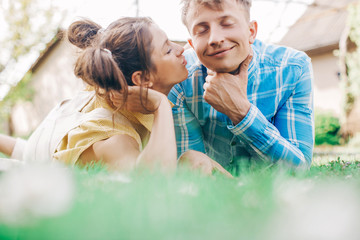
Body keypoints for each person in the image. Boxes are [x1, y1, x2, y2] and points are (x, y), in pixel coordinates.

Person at [0, 17, 231, 176]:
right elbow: (155, 182)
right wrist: (160, 104)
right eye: (168, 50)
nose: (181, 49)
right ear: (142, 79)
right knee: (193, 160)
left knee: (194, 159)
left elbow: (30, 151)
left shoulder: (105, 96)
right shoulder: (115, 136)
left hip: (33, 161)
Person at [168, 0, 314, 172]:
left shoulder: (293, 68)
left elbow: (299, 168)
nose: (215, 39)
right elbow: (194, 167)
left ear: (251, 31)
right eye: (202, 30)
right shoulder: (181, 80)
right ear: (192, 44)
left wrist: (241, 112)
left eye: (227, 24)